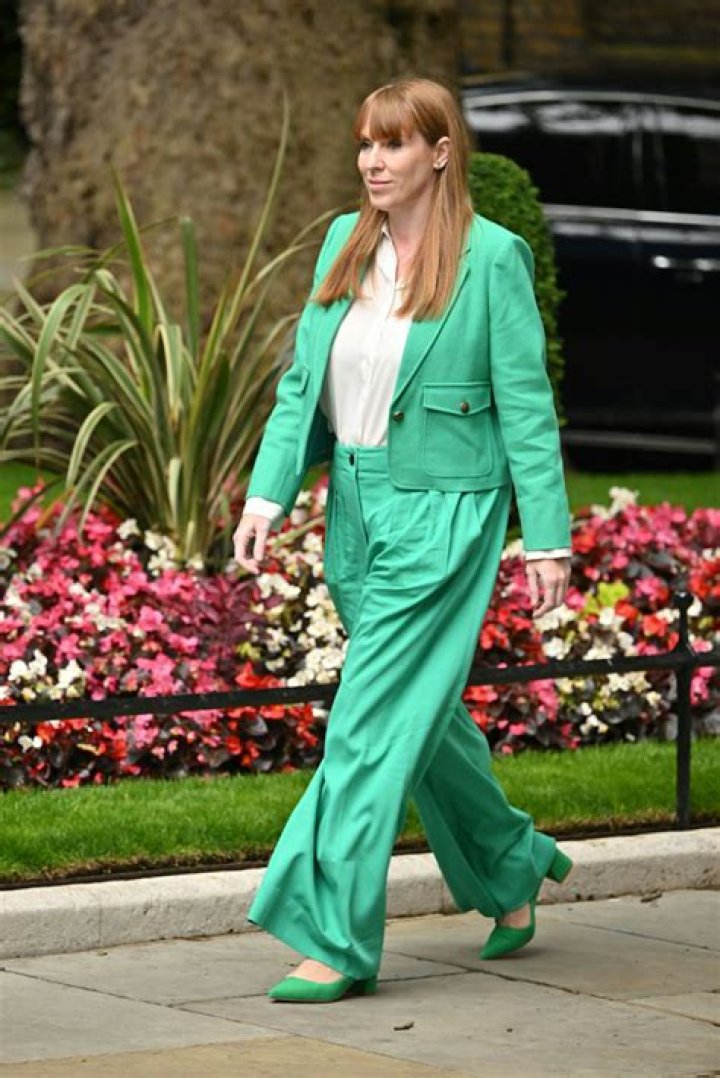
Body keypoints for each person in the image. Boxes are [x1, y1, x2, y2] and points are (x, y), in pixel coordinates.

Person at [233, 76, 574, 1004]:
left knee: (368, 721)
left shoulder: (492, 258)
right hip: (355, 504)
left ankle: (334, 935)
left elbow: (526, 405)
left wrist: (547, 539)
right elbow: (302, 386)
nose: (373, 162)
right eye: (365, 144)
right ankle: (511, 863)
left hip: (447, 510)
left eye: (393, 144)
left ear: (439, 153)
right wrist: (266, 497)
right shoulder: (344, 245)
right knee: (423, 715)